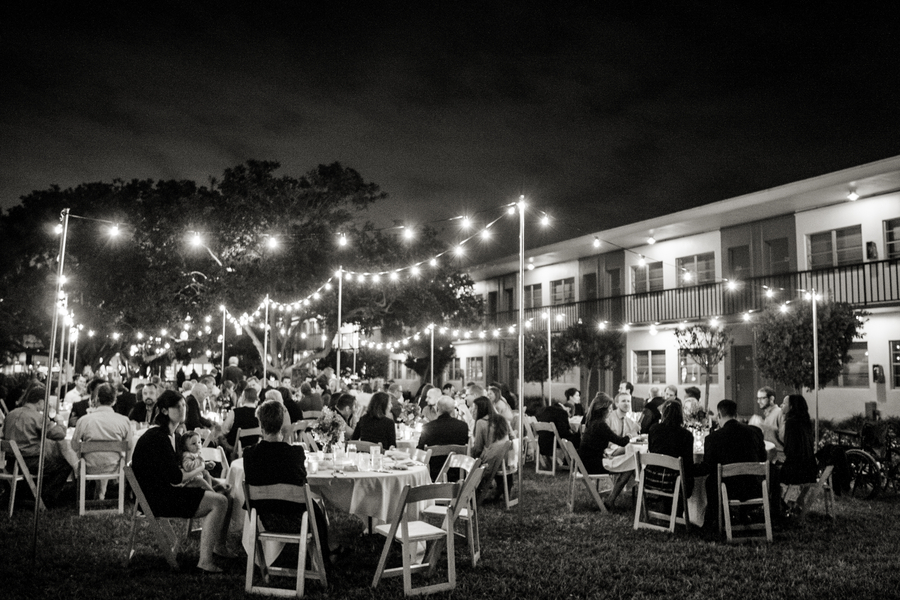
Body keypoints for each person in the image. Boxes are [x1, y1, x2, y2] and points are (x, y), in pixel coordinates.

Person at [131, 390, 234, 572]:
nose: (183, 409)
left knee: (227, 495)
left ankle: (219, 546)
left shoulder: (175, 436)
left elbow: (182, 471)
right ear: (164, 411)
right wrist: (201, 468)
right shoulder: (157, 438)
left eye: (184, 405)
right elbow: (177, 476)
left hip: (167, 490)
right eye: (177, 406)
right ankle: (205, 561)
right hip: (157, 499)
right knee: (220, 502)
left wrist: (214, 481)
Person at [242, 399, 340, 571]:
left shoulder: (249, 454)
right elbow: (302, 483)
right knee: (317, 508)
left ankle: (326, 553)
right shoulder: (295, 453)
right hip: (297, 521)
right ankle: (323, 559)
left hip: (265, 520)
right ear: (282, 424)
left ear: (260, 424)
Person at [4, 386, 74, 506]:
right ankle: (46, 498)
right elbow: (60, 434)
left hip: (10, 462)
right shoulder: (37, 417)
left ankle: (29, 493)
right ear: (41, 402)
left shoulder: (11, 414)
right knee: (64, 464)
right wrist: (60, 421)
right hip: (30, 462)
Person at [702, 399, 767, 527]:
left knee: (710, 480)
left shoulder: (712, 438)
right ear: (736, 414)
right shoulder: (755, 432)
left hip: (727, 490)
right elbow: (762, 458)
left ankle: (716, 519)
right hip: (755, 488)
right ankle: (748, 514)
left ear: (719, 415)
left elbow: (709, 466)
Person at [70, 383, 133, 500]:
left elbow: (74, 445)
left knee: (79, 459)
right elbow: (129, 446)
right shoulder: (124, 421)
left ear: (97, 399)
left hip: (89, 466)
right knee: (111, 457)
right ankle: (104, 494)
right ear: (114, 400)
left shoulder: (84, 420)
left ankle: (83, 496)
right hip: (114, 466)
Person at [647, 400, 696, 498]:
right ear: (681, 414)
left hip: (651, 478)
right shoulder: (686, 435)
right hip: (674, 483)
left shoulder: (653, 429)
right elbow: (688, 463)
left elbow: (651, 450)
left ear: (663, 413)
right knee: (688, 475)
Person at [780, 394, 818, 516]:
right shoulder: (806, 423)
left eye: (784, 403)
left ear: (791, 407)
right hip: (810, 470)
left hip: (797, 471)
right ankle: (795, 504)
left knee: (771, 475)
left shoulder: (790, 423)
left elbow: (789, 451)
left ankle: (782, 507)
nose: (781, 405)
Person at [470, 396, 512, 502]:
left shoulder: (481, 422)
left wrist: (470, 454)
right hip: (506, 460)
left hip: (491, 462)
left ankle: (470, 492)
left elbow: (478, 448)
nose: (472, 410)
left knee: (470, 459)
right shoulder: (501, 419)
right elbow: (512, 436)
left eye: (475, 408)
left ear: (481, 409)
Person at [418, 395, 470, 481]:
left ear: (437, 409)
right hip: (457, 474)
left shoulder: (428, 427)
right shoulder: (463, 426)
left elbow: (420, 451)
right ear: (453, 410)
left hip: (432, 475)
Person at [536, 395, 579, 463]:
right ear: (568, 409)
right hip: (554, 443)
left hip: (542, 443)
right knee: (578, 438)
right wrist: (574, 433)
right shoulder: (562, 412)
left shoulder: (545, 410)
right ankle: (573, 462)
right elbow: (563, 432)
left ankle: (567, 460)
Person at [749, 387, 786, 462]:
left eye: (762, 398)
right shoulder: (766, 415)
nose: (758, 401)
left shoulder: (779, 413)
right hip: (768, 457)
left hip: (778, 458)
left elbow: (785, 438)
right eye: (758, 398)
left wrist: (763, 426)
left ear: (771, 399)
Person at [221, 387, 260, 456]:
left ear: (244, 398)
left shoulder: (235, 412)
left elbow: (224, 430)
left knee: (220, 438)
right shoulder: (260, 414)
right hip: (254, 448)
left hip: (235, 449)